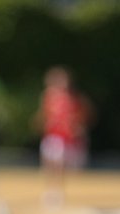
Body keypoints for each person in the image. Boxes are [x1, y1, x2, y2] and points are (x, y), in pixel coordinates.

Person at [35, 66, 95, 206]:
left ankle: (57, 191)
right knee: (51, 164)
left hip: (67, 138)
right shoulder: (48, 97)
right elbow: (43, 115)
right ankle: (53, 191)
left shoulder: (74, 98)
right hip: (53, 136)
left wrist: (80, 126)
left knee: (64, 167)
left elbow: (86, 113)